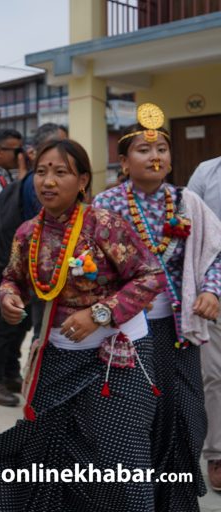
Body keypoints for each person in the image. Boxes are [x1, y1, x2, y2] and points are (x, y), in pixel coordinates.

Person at [0, 139, 166, 511]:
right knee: (44, 447)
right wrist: (10, 298)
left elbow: (150, 277)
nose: (48, 181)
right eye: (41, 172)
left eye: (61, 172)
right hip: (59, 356)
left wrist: (99, 314)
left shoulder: (104, 225)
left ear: (83, 180)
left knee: (118, 454)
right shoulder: (28, 232)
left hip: (116, 358)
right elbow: (12, 278)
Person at [94, 104, 221, 510]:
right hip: (124, 333)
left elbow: (215, 254)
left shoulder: (187, 203)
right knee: (131, 420)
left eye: (162, 149)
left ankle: (176, 502)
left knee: (184, 416)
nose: (156, 157)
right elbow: (87, 262)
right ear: (125, 162)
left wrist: (211, 291)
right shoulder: (105, 205)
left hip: (176, 332)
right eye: (145, 151)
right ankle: (131, 499)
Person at [0, 124, 68, 406]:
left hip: (22, 264)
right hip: (9, 264)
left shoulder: (33, 180)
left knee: (22, 322)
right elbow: (40, 231)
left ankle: (9, 373)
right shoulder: (35, 183)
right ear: (36, 153)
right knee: (8, 321)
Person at [188, 154, 221, 493]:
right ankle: (217, 452)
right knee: (215, 373)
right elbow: (189, 227)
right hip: (215, 289)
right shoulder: (206, 172)